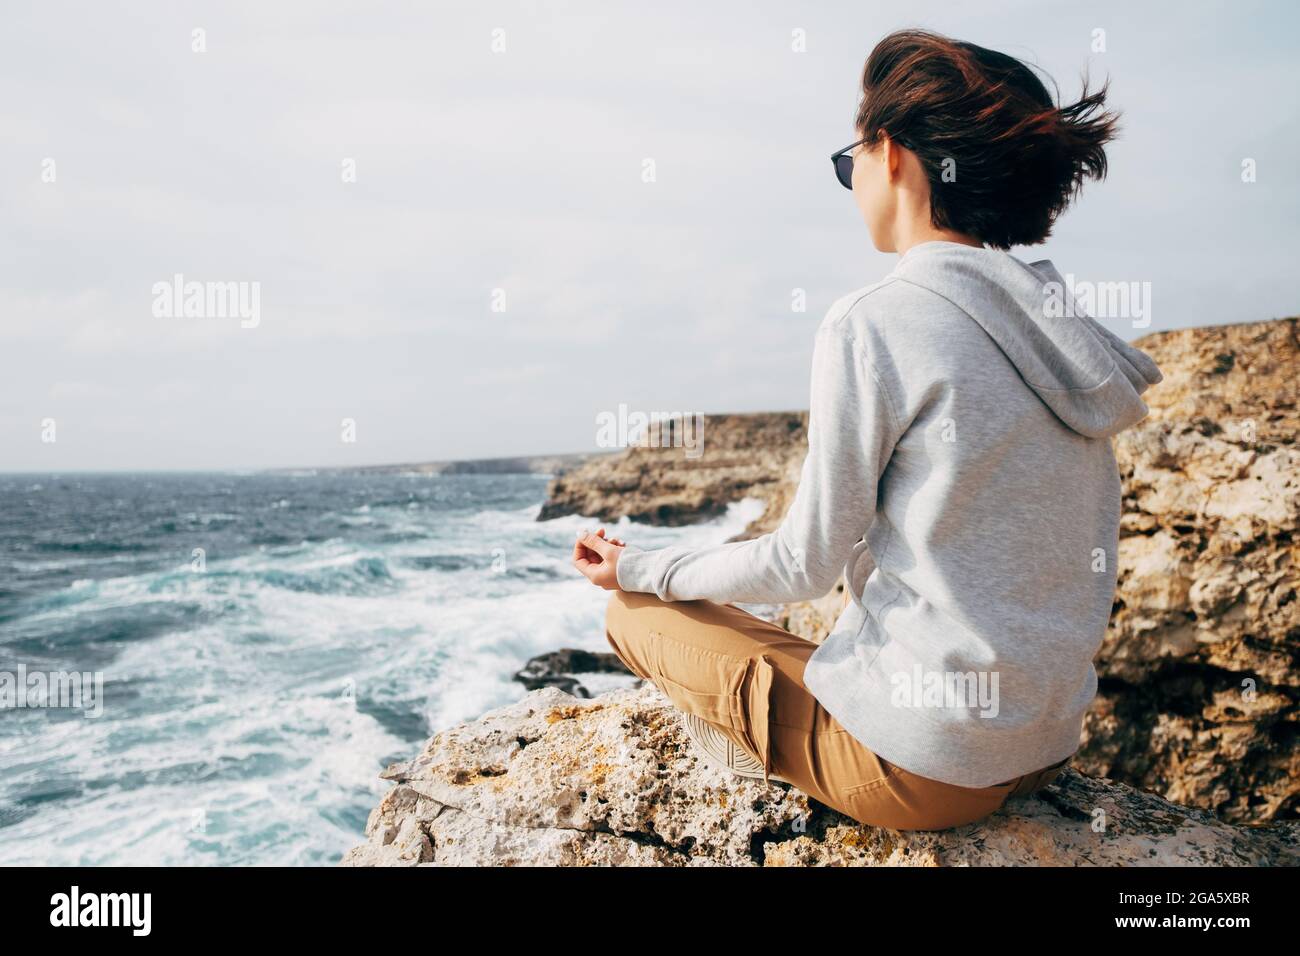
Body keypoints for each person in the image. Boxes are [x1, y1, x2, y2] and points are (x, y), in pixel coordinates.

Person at [572, 29, 1162, 831]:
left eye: (850, 159)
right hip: (1042, 746)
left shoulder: (878, 320)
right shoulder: (1066, 335)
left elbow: (802, 563)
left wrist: (637, 566)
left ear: (891, 155)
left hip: (922, 769)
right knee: (764, 628)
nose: (851, 181)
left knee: (631, 614)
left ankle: (763, 763)